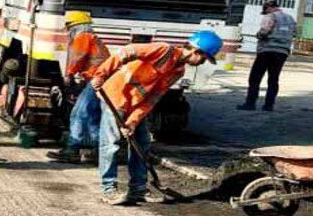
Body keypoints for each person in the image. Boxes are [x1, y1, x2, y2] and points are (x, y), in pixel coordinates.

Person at [89, 31, 222, 205]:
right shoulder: (163, 50)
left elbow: (153, 98)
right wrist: (101, 74)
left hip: (136, 104)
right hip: (116, 96)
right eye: (204, 59)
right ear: (197, 52)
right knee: (111, 144)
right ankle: (109, 190)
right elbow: (126, 52)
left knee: (142, 143)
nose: (202, 63)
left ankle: (138, 188)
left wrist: (133, 121)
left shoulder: (178, 70)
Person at [48, 11, 110, 164]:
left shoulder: (82, 37)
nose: (68, 31)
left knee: (79, 113)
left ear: (75, 26)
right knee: (93, 116)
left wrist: (69, 74)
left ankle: (72, 149)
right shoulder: (92, 38)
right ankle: (98, 151)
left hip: (97, 79)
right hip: (102, 79)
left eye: (69, 27)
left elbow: (77, 57)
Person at [239, 0, 296, 112]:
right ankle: (268, 105)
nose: (265, 14)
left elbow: (265, 30)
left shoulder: (271, 16)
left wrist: (259, 35)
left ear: (268, 8)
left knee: (255, 77)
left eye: (265, 11)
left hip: (267, 50)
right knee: (273, 79)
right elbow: (294, 33)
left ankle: (250, 104)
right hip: (282, 52)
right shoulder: (291, 19)